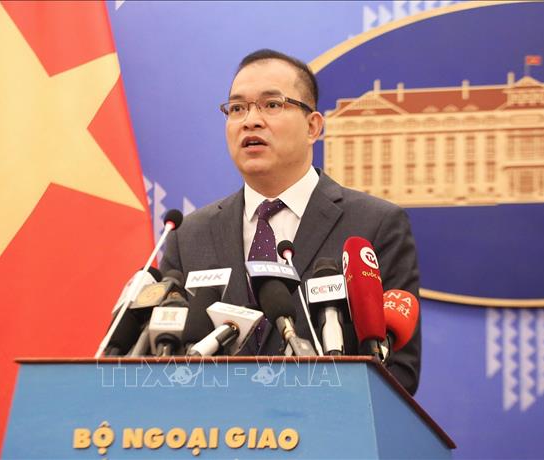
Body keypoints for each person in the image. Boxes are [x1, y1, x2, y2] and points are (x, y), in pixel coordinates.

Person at [160, 49, 421, 395]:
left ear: (313, 127)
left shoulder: (375, 225)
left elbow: (399, 373)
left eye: (271, 105)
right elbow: (160, 360)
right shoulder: (189, 235)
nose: (250, 121)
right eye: (237, 108)